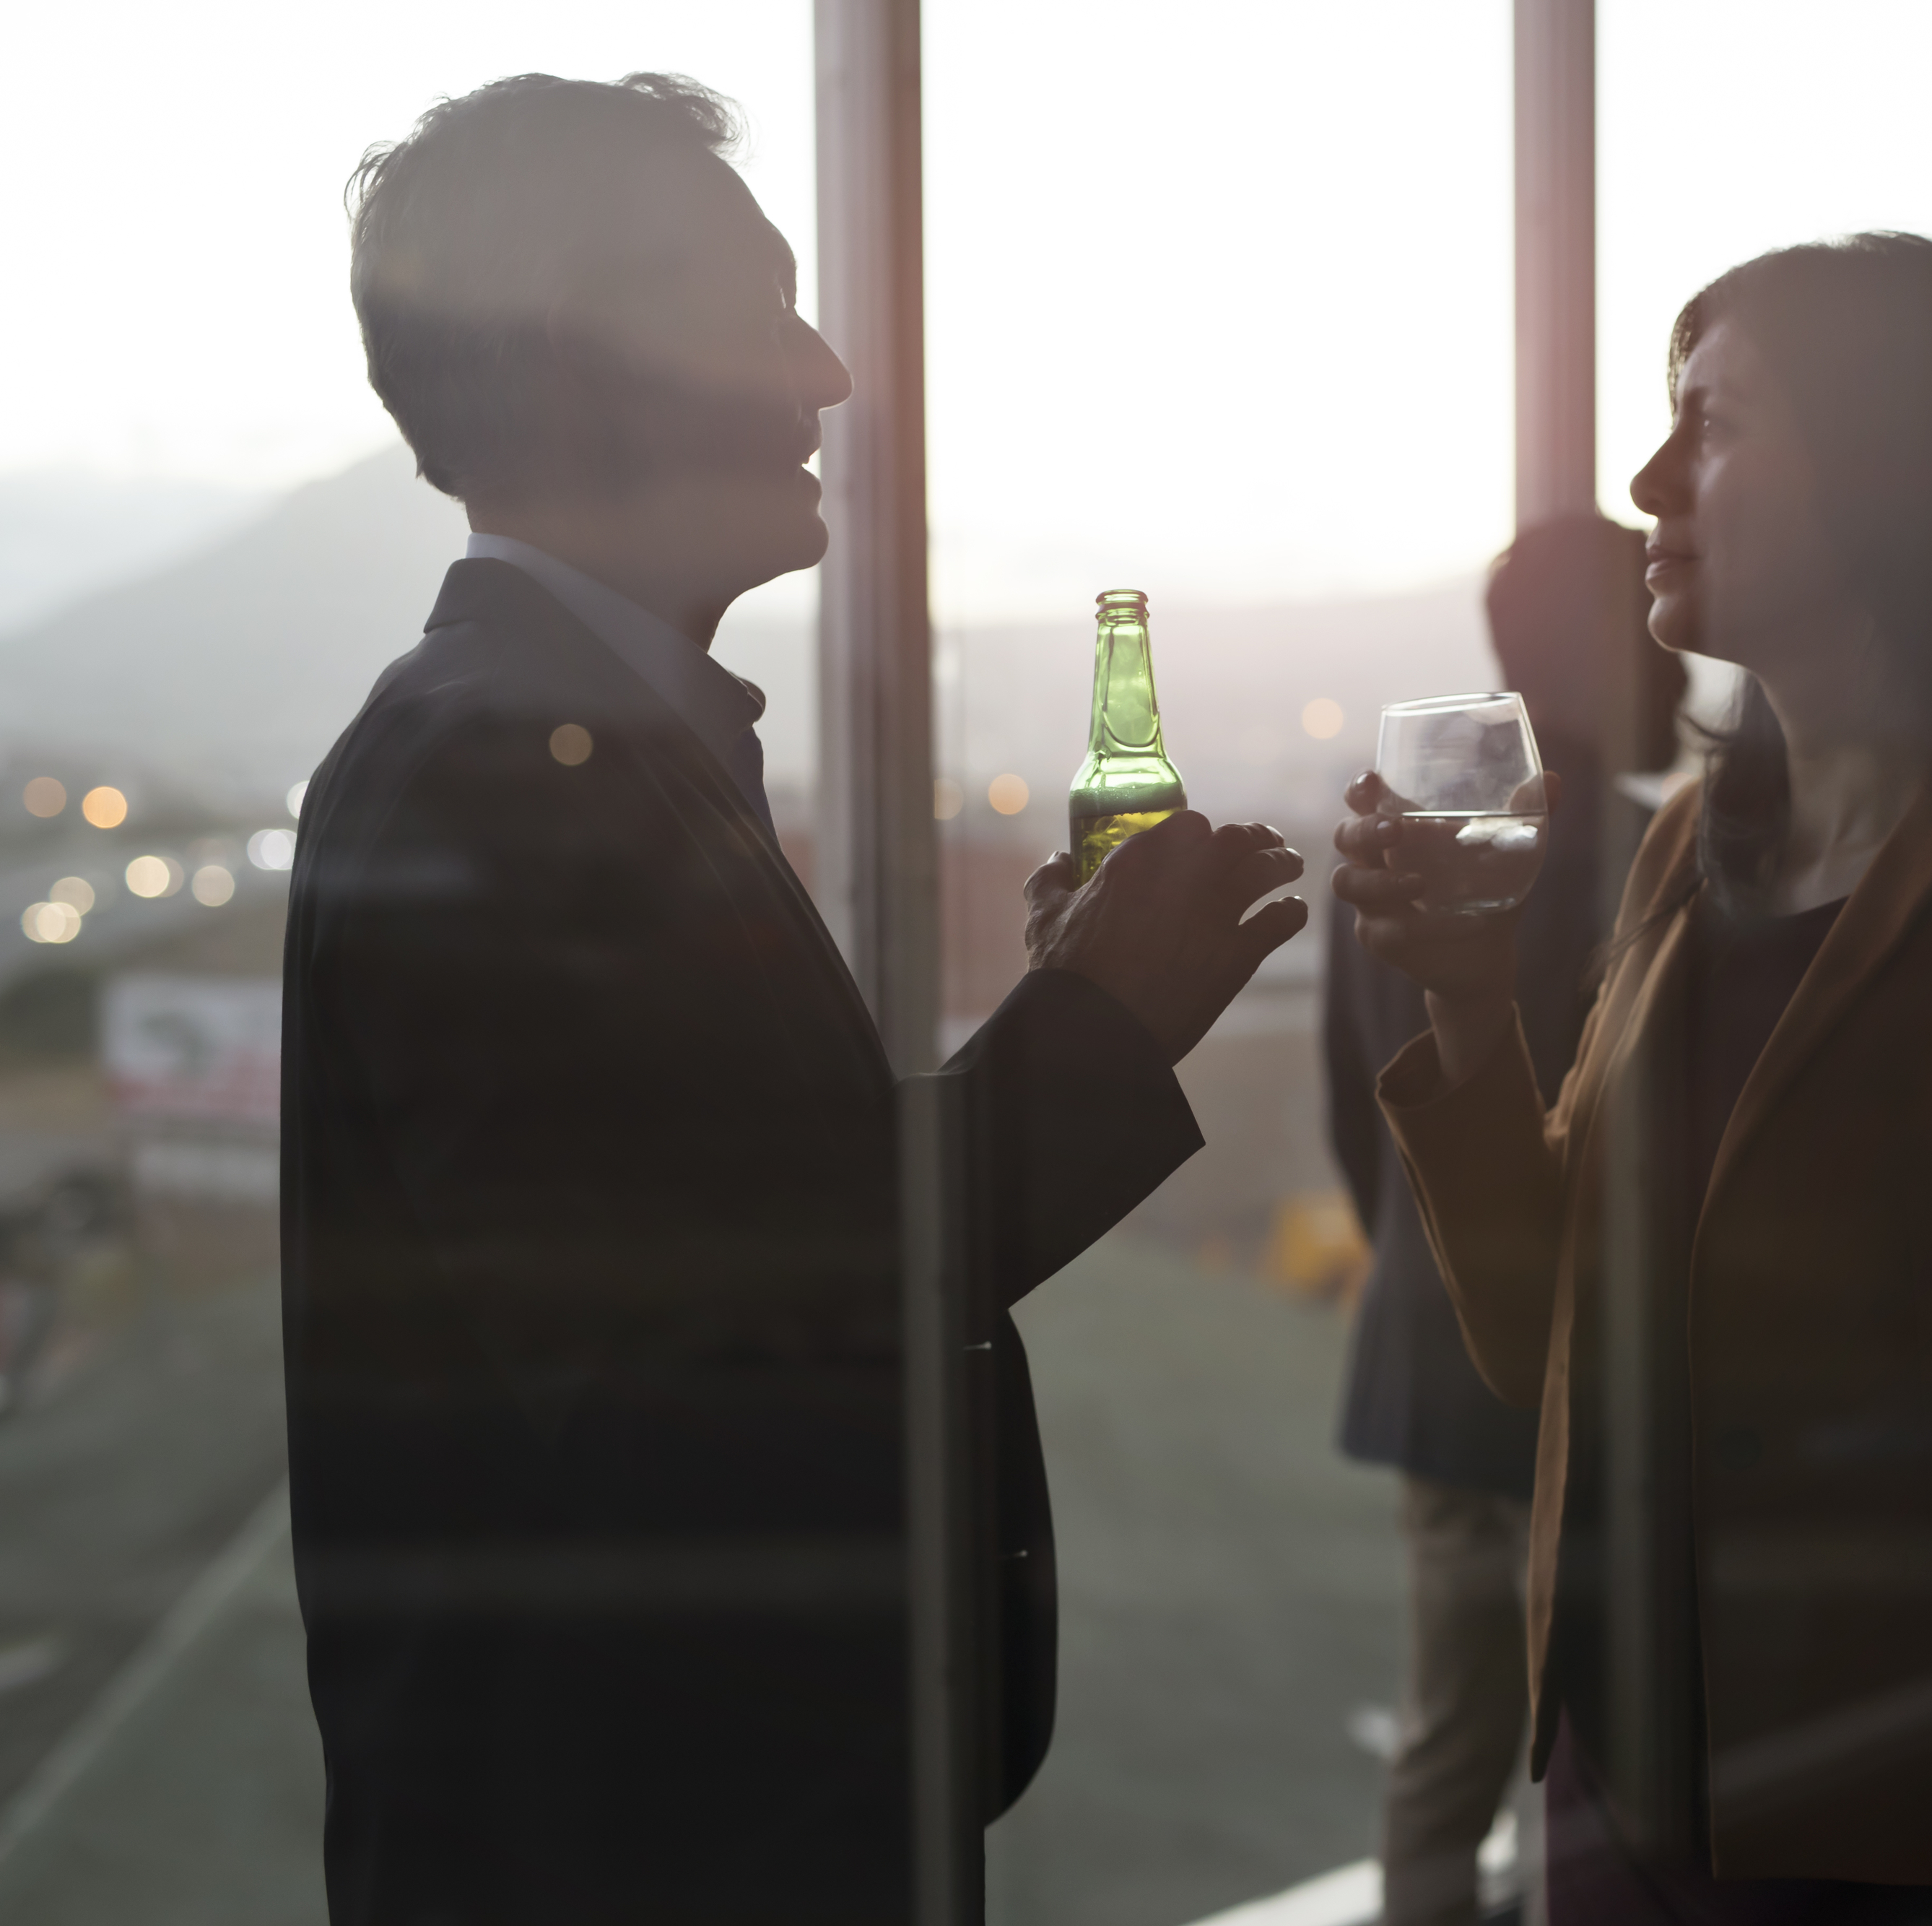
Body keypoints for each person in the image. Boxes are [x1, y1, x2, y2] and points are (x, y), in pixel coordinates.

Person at [285, 75, 1305, 1923]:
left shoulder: (565, 741)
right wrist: (1097, 1027)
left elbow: (736, 1239)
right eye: (759, 306)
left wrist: (1091, 999)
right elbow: (712, 1347)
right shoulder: (503, 767)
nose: (827, 371)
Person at [1333, 233, 1932, 1924]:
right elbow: (1531, 1343)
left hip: (1908, 1850)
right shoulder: (1682, 856)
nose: (1648, 480)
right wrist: (1469, 1000)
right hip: (1613, 1811)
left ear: (1896, 464)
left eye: (1708, 422)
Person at [1326, 513, 1684, 1926]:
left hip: (1429, 1350)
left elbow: (1365, 1121)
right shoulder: (1652, 856)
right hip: (1564, 1365)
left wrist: (1429, 1261)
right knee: (1579, 1754)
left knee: (1448, 1741)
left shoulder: (1404, 846)